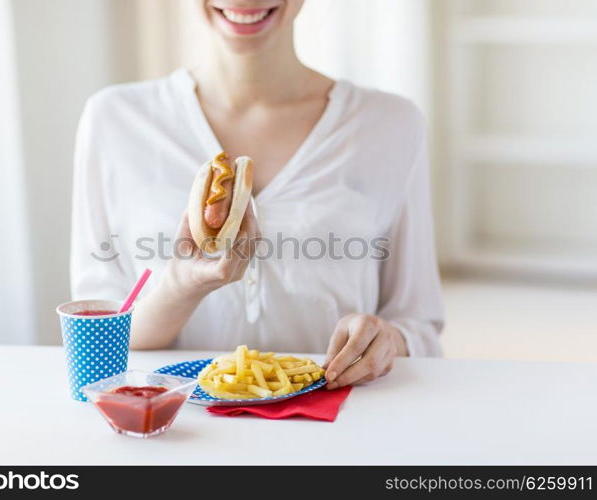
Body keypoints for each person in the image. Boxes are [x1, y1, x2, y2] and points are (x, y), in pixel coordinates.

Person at [71, 0, 444, 390]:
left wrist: (385, 340)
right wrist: (180, 287)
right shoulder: (114, 121)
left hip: (338, 427)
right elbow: (97, 342)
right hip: (176, 435)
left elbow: (418, 326)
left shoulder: (391, 124)